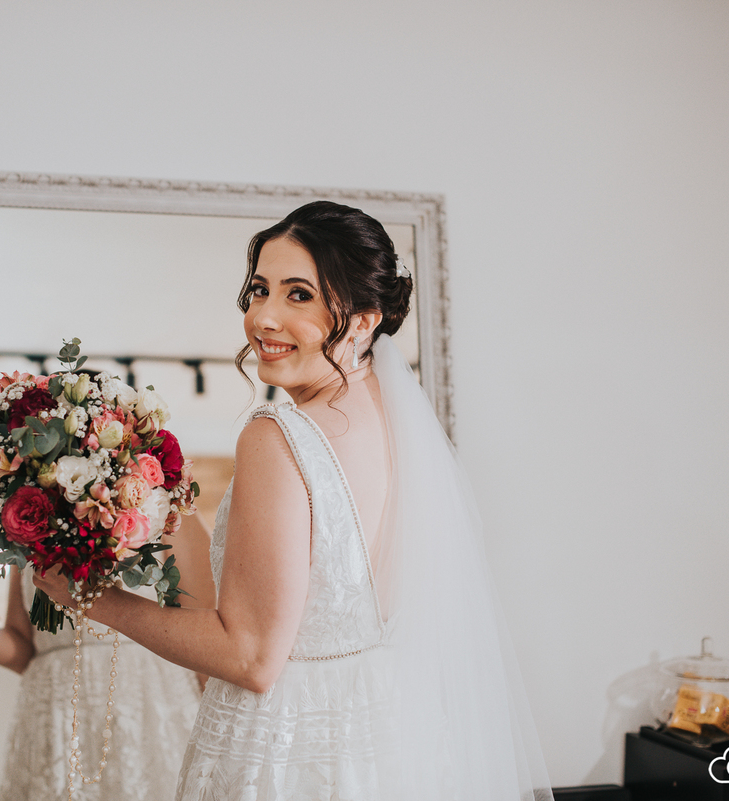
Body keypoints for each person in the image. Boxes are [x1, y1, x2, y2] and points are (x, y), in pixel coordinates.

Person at [35, 200, 554, 800]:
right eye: (260, 290)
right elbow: (308, 609)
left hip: (289, 758)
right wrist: (168, 511)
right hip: (394, 749)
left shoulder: (277, 435)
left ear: (363, 319)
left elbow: (252, 657)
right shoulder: (399, 426)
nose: (265, 317)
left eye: (299, 295)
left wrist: (92, 600)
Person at [0, 510, 216, 801]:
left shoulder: (168, 507)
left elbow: (208, 646)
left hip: (149, 716)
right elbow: (25, 649)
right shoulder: (28, 519)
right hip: (55, 723)